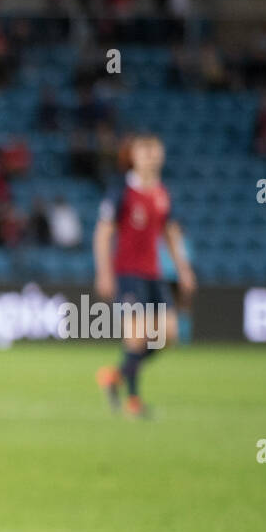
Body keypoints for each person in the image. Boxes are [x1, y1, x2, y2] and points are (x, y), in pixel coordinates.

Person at [93, 133, 195, 418]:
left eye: (154, 150)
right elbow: (103, 233)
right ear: (133, 156)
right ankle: (133, 401)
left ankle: (115, 375)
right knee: (137, 338)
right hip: (127, 273)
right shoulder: (121, 191)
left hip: (154, 274)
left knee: (168, 335)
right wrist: (104, 272)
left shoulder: (162, 192)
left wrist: (184, 269)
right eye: (144, 150)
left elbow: (171, 233)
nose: (150, 154)